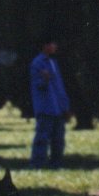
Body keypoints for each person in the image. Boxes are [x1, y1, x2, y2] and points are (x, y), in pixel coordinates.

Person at [30, 39, 70, 168]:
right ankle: (38, 163)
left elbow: (59, 86)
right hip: (46, 106)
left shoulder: (53, 62)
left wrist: (65, 106)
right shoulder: (37, 63)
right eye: (53, 44)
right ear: (45, 45)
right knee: (42, 138)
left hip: (58, 107)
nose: (55, 46)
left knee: (58, 138)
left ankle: (56, 163)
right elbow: (37, 85)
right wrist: (45, 79)